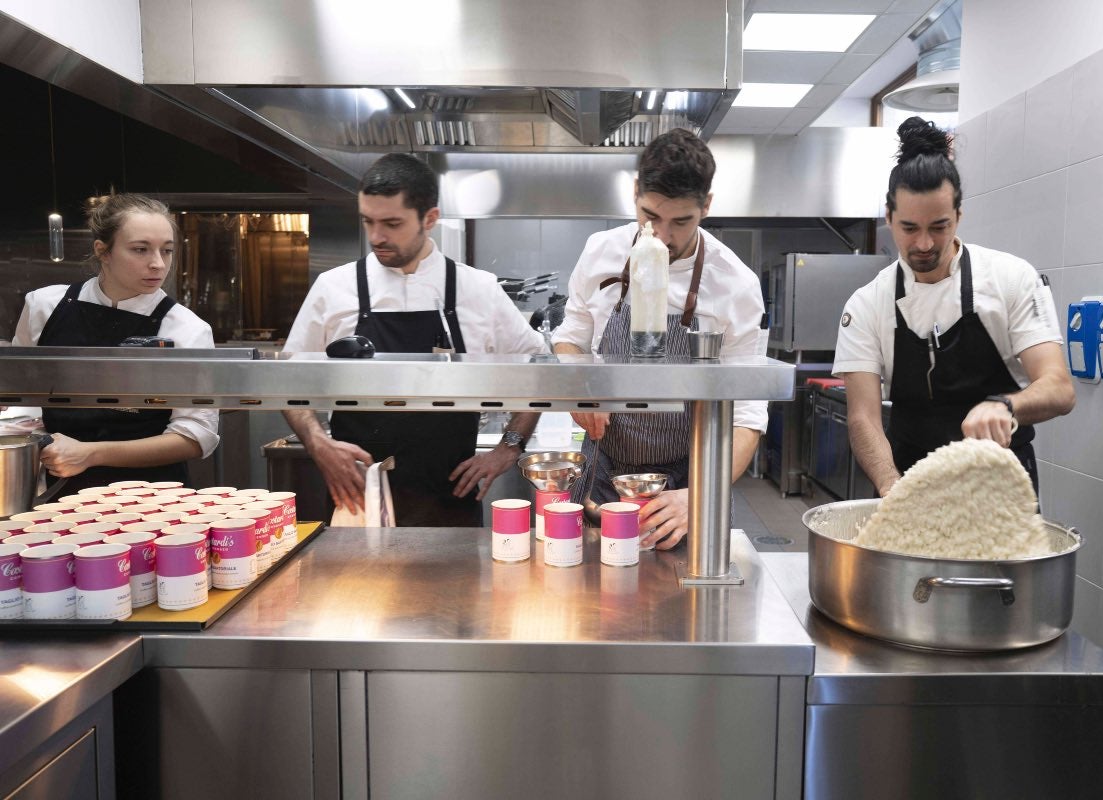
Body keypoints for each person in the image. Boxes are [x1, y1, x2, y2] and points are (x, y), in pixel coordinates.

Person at [282, 153, 547, 526]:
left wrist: (510, 446)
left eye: (392, 224)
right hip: (358, 501)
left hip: (450, 505)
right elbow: (288, 380)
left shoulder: (477, 289)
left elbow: (540, 369)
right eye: (368, 221)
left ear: (430, 219)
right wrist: (317, 442)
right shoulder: (334, 288)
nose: (376, 237)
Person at [834, 117, 1075, 496]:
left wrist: (1006, 406)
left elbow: (1059, 388)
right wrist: (891, 485)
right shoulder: (867, 304)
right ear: (889, 218)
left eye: (939, 226)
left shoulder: (1011, 279)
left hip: (1002, 489)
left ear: (959, 216)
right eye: (909, 228)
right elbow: (863, 417)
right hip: (911, 481)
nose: (924, 244)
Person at [552, 128, 767, 550]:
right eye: (650, 216)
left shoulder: (736, 285)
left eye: (681, 222)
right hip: (603, 468)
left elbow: (746, 415)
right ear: (635, 193)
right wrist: (580, 386)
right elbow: (570, 339)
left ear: (706, 206)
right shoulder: (600, 252)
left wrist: (700, 494)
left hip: (690, 479)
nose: (663, 237)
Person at [12, 193, 219, 492]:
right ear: (103, 251)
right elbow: (21, 396)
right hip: (60, 490)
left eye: (167, 250)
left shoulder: (187, 328)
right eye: (140, 249)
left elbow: (196, 437)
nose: (158, 264)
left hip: (156, 495)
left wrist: (90, 454)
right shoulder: (44, 306)